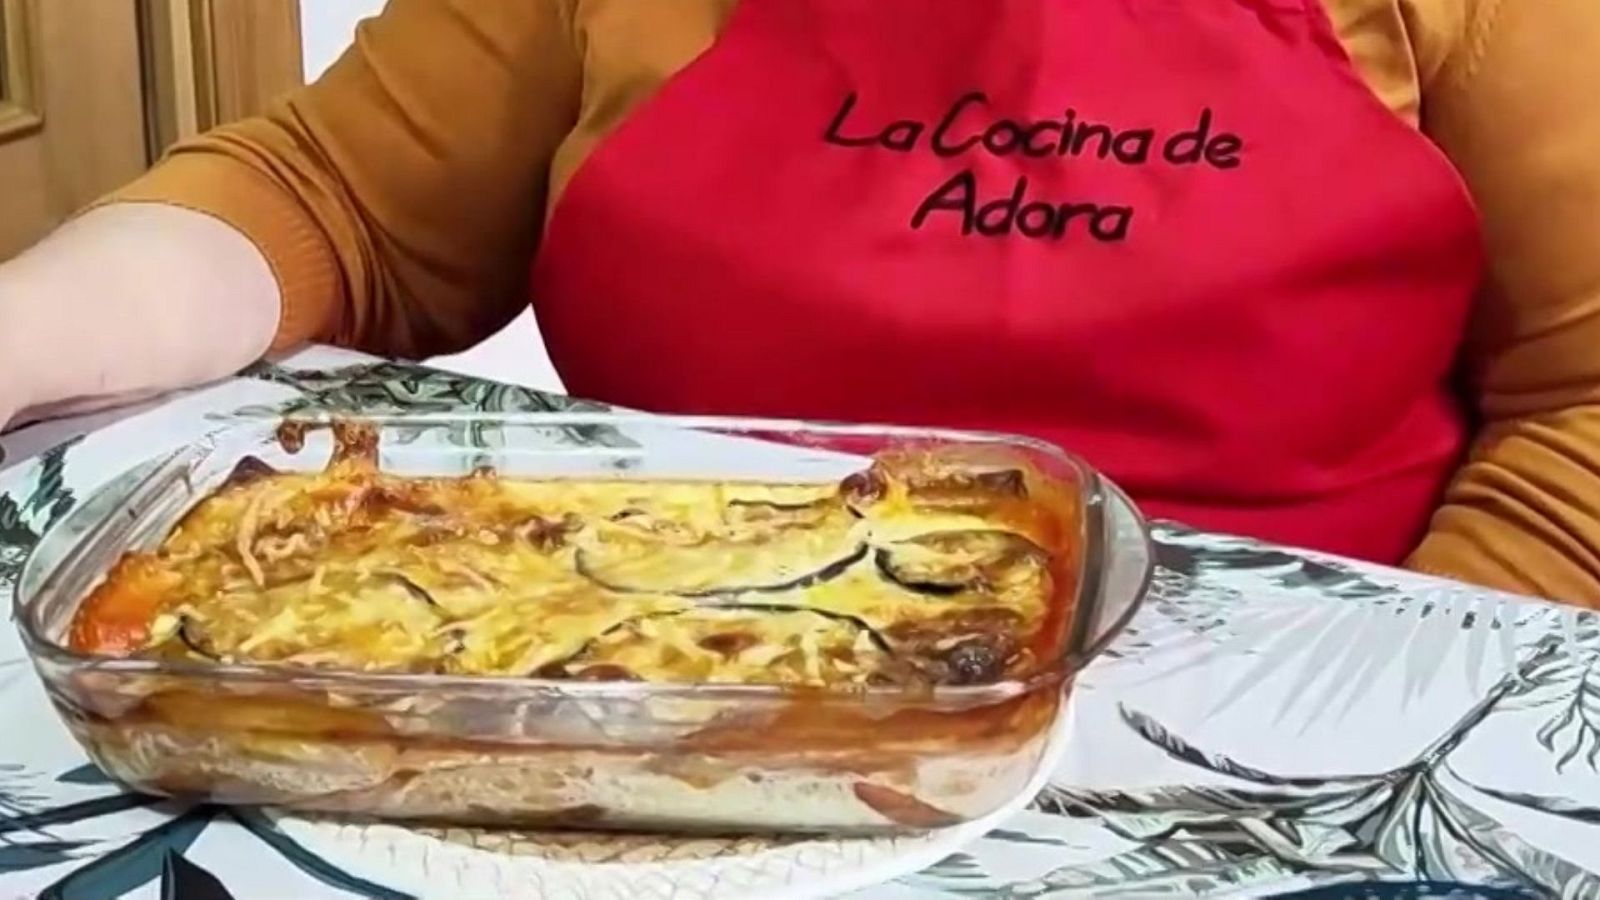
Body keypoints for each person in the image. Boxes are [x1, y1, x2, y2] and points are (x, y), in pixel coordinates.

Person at [1, 0, 1598, 606]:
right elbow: (329, 199)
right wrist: (22, 336)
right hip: (658, 668)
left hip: (1277, 731)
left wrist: (1382, 715)